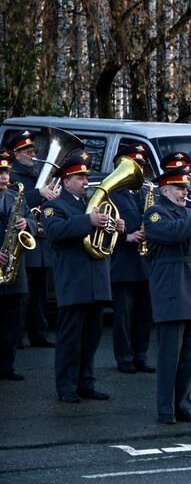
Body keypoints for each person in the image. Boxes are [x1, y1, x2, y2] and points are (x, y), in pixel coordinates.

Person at [42, 151, 124, 403]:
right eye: (79, 177)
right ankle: (65, 385)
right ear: (66, 181)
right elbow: (55, 232)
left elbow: (105, 241)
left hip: (97, 281)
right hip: (74, 281)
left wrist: (116, 228)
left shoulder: (92, 206)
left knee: (91, 337)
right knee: (69, 338)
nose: (86, 181)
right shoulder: (53, 206)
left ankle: (86, 382)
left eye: (86, 176)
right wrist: (88, 220)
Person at [143, 165, 191, 424]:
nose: (185, 192)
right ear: (164, 189)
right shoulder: (155, 213)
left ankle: (183, 404)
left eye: (186, 188)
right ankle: (166, 408)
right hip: (173, 289)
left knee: (189, 356)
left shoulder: (190, 213)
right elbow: (173, 233)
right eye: (179, 188)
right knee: (170, 356)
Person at [7, 131, 56, 348]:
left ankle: (39, 333)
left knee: (41, 293)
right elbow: (13, 201)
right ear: (16, 155)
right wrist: (39, 193)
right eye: (27, 152)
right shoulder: (11, 175)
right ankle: (18, 336)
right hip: (22, 241)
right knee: (23, 295)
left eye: (34, 151)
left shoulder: (37, 174)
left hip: (41, 240)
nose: (33, 155)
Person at [109, 144, 155, 374]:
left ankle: (141, 355)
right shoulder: (111, 195)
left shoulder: (147, 192)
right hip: (124, 264)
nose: (139, 169)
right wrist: (125, 237)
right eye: (134, 165)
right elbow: (102, 231)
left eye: (141, 165)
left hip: (146, 265)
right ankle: (124, 358)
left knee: (144, 315)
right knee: (124, 317)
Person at [0, 150, 36, 380]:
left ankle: (7, 366)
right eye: (0, 173)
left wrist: (27, 223)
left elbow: (33, 220)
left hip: (14, 267)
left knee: (12, 320)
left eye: (6, 172)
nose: (4, 177)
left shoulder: (16, 197)